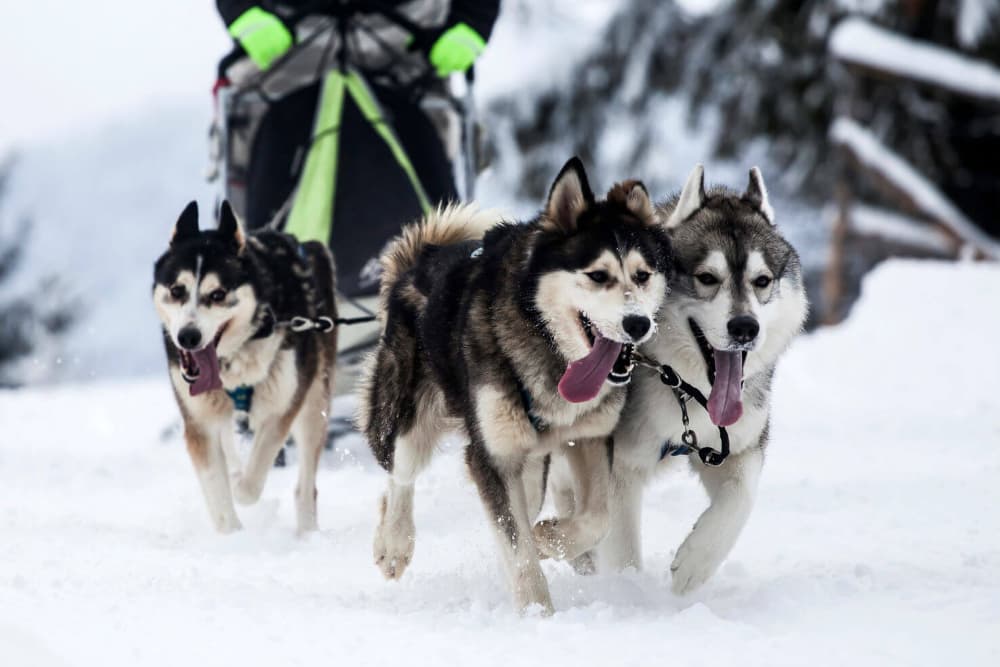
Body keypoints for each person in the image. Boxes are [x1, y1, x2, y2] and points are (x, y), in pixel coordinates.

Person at [214, 1, 500, 298]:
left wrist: (471, 24)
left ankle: (447, 286)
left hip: (406, 48)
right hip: (287, 51)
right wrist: (243, 14)